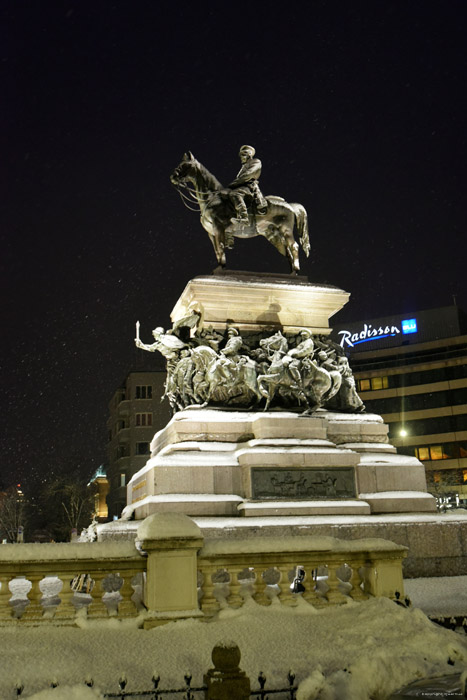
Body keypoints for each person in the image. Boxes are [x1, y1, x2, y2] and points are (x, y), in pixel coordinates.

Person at [228, 145, 268, 225]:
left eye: (243, 154)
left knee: (235, 194)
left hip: (249, 187)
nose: (241, 157)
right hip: (242, 187)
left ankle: (244, 218)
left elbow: (248, 174)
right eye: (241, 155)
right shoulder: (243, 166)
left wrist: (234, 183)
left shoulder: (256, 161)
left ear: (249, 154)